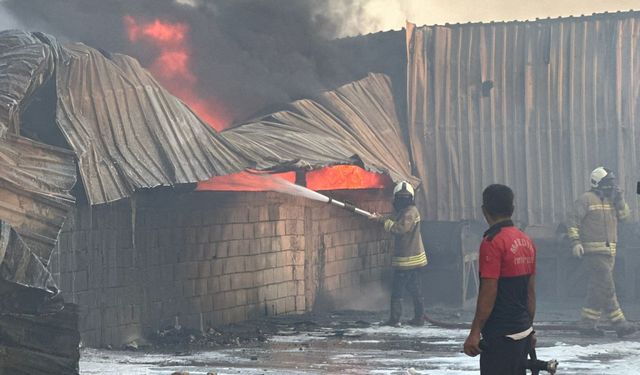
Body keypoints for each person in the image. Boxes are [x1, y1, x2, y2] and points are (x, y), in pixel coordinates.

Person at [463, 184, 536, 375]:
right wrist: (530, 329)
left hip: (501, 335)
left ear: (484, 211)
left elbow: (489, 291)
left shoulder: (492, 243)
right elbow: (530, 291)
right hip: (522, 332)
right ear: (511, 209)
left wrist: (474, 332)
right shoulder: (526, 240)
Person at [566, 167, 636, 337]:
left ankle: (587, 324)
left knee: (597, 288)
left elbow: (626, 218)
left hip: (609, 251)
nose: (612, 186)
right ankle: (620, 324)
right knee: (608, 286)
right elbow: (573, 222)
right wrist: (575, 242)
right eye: (608, 182)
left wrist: (620, 199)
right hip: (593, 252)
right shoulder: (586, 199)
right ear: (597, 183)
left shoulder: (612, 200)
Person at [371, 181, 427, 327]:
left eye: (403, 198)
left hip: (407, 261)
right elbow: (395, 221)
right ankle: (419, 318)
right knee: (415, 289)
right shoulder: (407, 211)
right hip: (412, 260)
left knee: (397, 291)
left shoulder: (410, 212)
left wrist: (383, 221)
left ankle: (394, 320)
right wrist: (380, 218)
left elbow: (399, 229)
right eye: (399, 197)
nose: (401, 200)